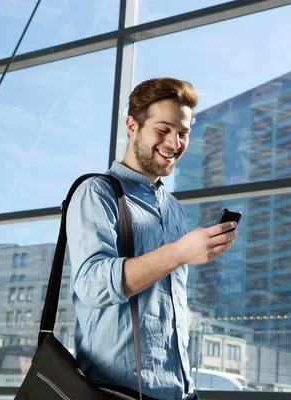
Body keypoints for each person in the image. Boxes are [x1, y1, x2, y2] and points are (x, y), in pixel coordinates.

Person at [66, 77, 238, 400]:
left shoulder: (173, 210)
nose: (174, 143)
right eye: (163, 129)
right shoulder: (96, 193)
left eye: (183, 133)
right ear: (132, 126)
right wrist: (179, 252)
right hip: (115, 392)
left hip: (178, 391)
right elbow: (91, 283)